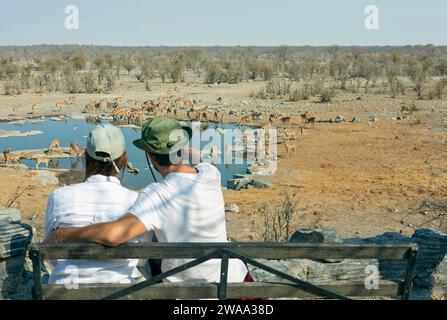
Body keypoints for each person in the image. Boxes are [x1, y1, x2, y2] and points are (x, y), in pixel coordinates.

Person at [50, 116, 249, 283]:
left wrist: (65, 233)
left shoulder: (156, 195)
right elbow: (195, 157)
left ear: (150, 156)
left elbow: (113, 235)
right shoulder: (210, 173)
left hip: (187, 292)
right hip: (232, 279)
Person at [44, 124, 150, 285]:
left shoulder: (59, 196)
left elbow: (51, 252)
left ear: (86, 156)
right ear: (124, 159)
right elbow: (141, 260)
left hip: (65, 290)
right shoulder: (136, 201)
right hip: (121, 290)